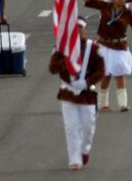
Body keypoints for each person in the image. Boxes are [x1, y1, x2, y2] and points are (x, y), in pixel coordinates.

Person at [83, 0, 132, 111]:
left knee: (119, 74)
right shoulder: (105, 6)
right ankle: (103, 103)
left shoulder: (127, 13)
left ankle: (123, 104)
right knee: (106, 75)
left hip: (119, 47)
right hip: (104, 45)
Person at [49, 17, 105, 170]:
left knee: (88, 126)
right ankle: (74, 159)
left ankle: (85, 150)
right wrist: (65, 62)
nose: (78, 31)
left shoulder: (93, 48)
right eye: (75, 28)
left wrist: (87, 83)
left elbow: (101, 71)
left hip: (86, 94)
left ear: (84, 29)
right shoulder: (61, 48)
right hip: (68, 93)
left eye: (80, 28)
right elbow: (52, 68)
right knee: (71, 127)